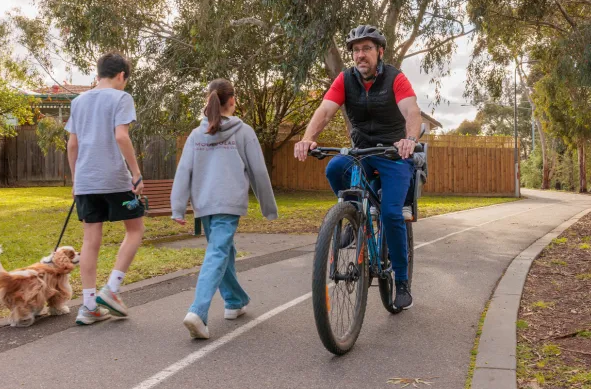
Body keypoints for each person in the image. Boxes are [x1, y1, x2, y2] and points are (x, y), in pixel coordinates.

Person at [294, 25, 422, 310]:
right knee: (334, 168)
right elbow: (325, 110)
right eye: (355, 50)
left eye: (366, 49)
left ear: (380, 51)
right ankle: (352, 215)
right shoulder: (345, 79)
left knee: (390, 213)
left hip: (393, 154)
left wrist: (409, 140)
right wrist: (307, 139)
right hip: (361, 151)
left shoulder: (395, 78)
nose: (360, 55)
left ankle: (401, 282)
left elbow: (412, 111)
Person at [171, 78, 278, 340]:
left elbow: (184, 171)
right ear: (232, 100)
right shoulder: (243, 132)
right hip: (228, 203)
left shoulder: (197, 135)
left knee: (223, 250)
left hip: (204, 205)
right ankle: (198, 311)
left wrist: (177, 207)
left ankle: (234, 301)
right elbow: (259, 173)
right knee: (218, 252)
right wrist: (269, 208)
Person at [66, 52, 145, 325]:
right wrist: (136, 173)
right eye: (125, 79)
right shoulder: (121, 98)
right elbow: (121, 136)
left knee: (90, 240)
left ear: (99, 73)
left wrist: (76, 180)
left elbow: (72, 145)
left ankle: (88, 307)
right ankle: (112, 289)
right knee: (135, 230)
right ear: (122, 75)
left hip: (86, 181)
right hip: (114, 178)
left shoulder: (78, 101)